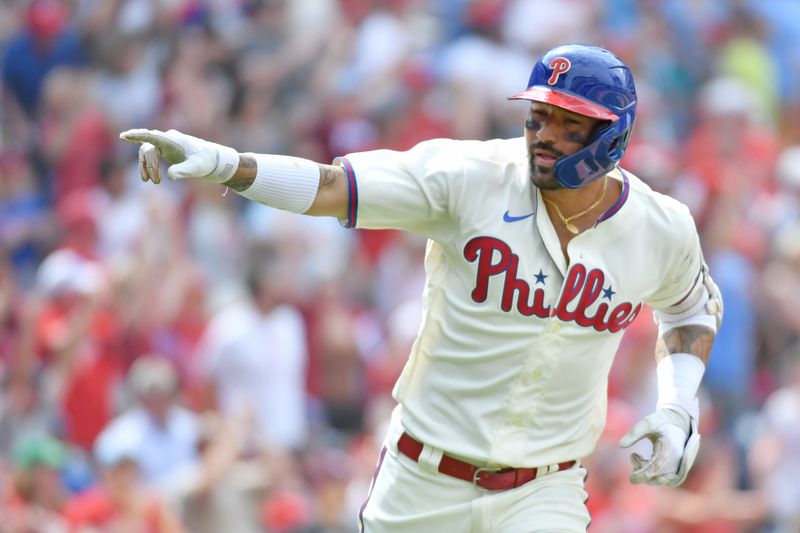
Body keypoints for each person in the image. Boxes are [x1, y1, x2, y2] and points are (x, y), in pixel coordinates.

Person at [121, 44, 723, 533]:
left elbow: (690, 309)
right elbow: (334, 187)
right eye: (538, 115)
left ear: (612, 136)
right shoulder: (469, 178)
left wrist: (677, 408)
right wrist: (228, 164)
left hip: (545, 490)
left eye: (568, 123)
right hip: (422, 481)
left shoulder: (659, 226)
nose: (544, 134)